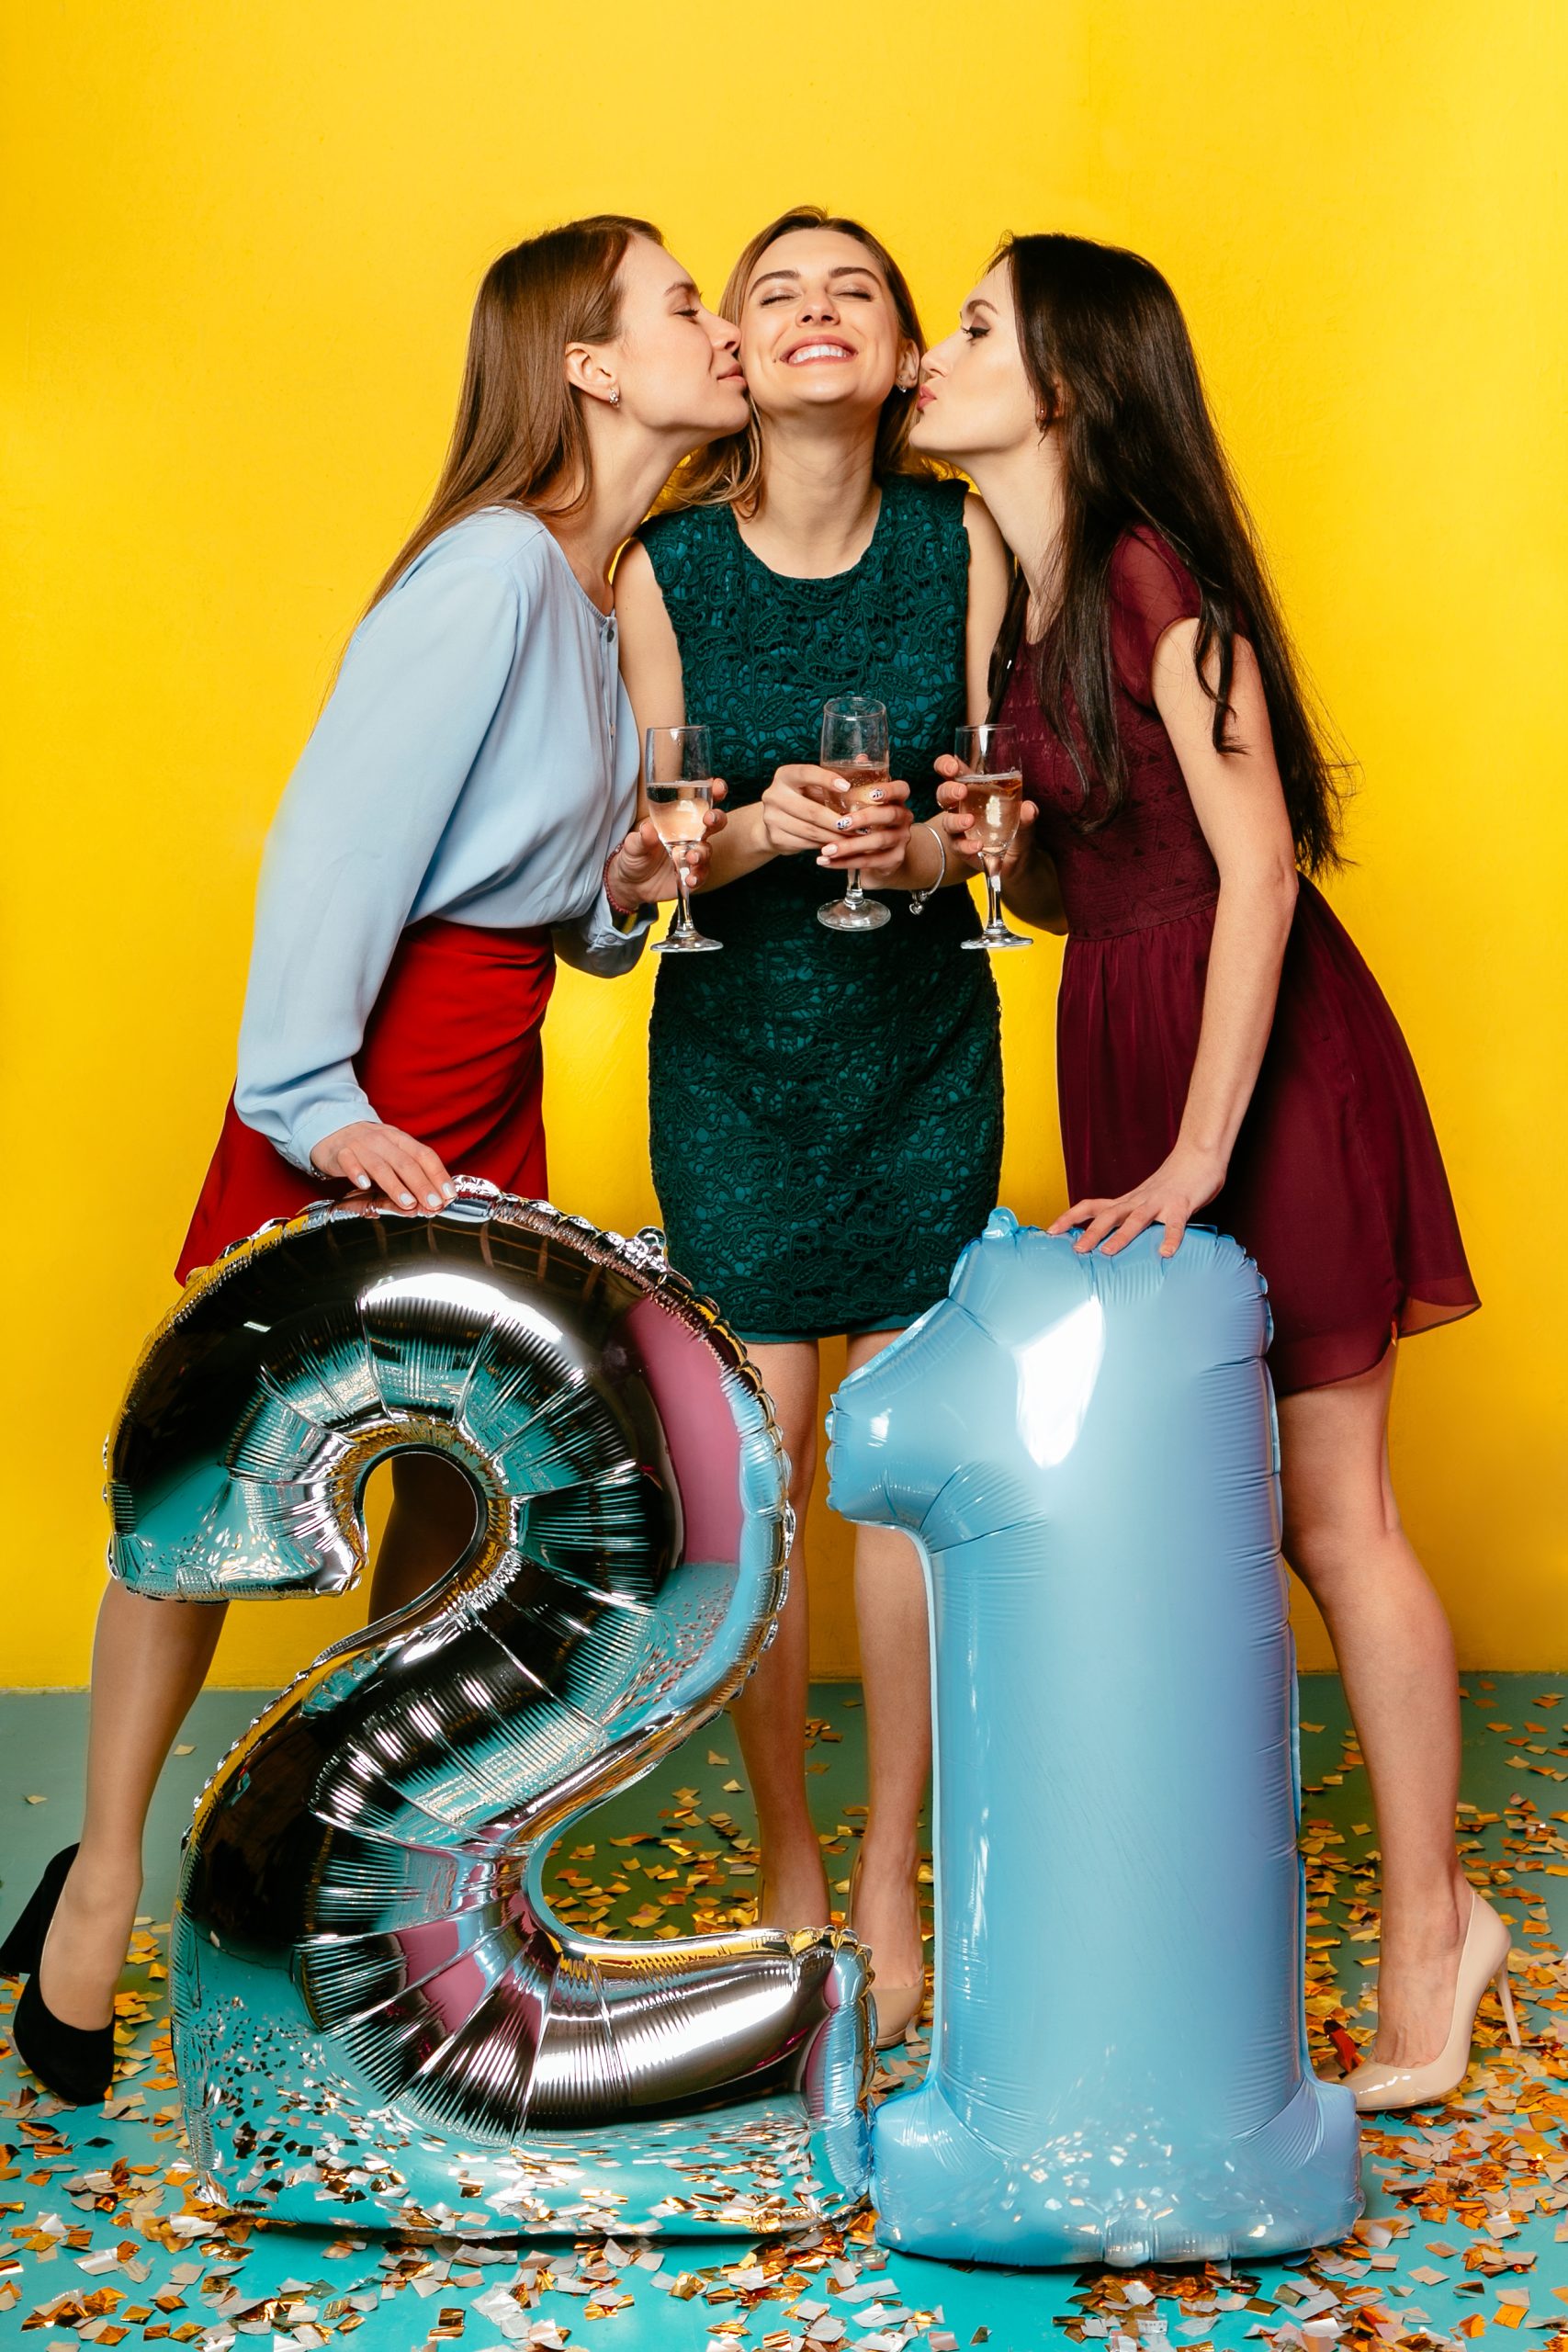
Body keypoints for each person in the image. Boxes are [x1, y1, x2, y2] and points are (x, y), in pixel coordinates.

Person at [0, 216, 749, 2106]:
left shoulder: (586, 602)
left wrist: (635, 881)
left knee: (437, 1501)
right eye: (680, 302)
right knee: (220, 1485)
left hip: (487, 1059)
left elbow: (558, 917)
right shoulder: (493, 571)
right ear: (583, 363)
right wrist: (309, 1093)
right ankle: (92, 1902)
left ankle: (357, 1873)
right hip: (373, 1061)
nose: (720, 324)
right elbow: (334, 837)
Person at [914, 231, 1485, 2111]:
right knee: (1204, 1518)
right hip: (1133, 1029)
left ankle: (1431, 1929)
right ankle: (1230, 1916)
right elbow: (1079, 879)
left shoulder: (1158, 579)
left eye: (975, 324)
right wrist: (987, 846)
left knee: (1335, 1517)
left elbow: (1251, 872)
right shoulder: (1022, 597)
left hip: (1260, 1059)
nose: (935, 344)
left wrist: (1193, 1150)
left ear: (1064, 379)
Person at [615, 207, 1011, 2047]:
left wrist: (926, 850)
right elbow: (640, 852)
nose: (809, 312)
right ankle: (786, 1853)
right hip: (736, 1062)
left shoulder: (964, 539)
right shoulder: (663, 567)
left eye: (850, 285)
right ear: (742, 361)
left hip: (920, 1038)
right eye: (771, 291)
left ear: (900, 351)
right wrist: (766, 830)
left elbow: (993, 817)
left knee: (904, 1469)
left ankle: (885, 1864)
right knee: (772, 1467)